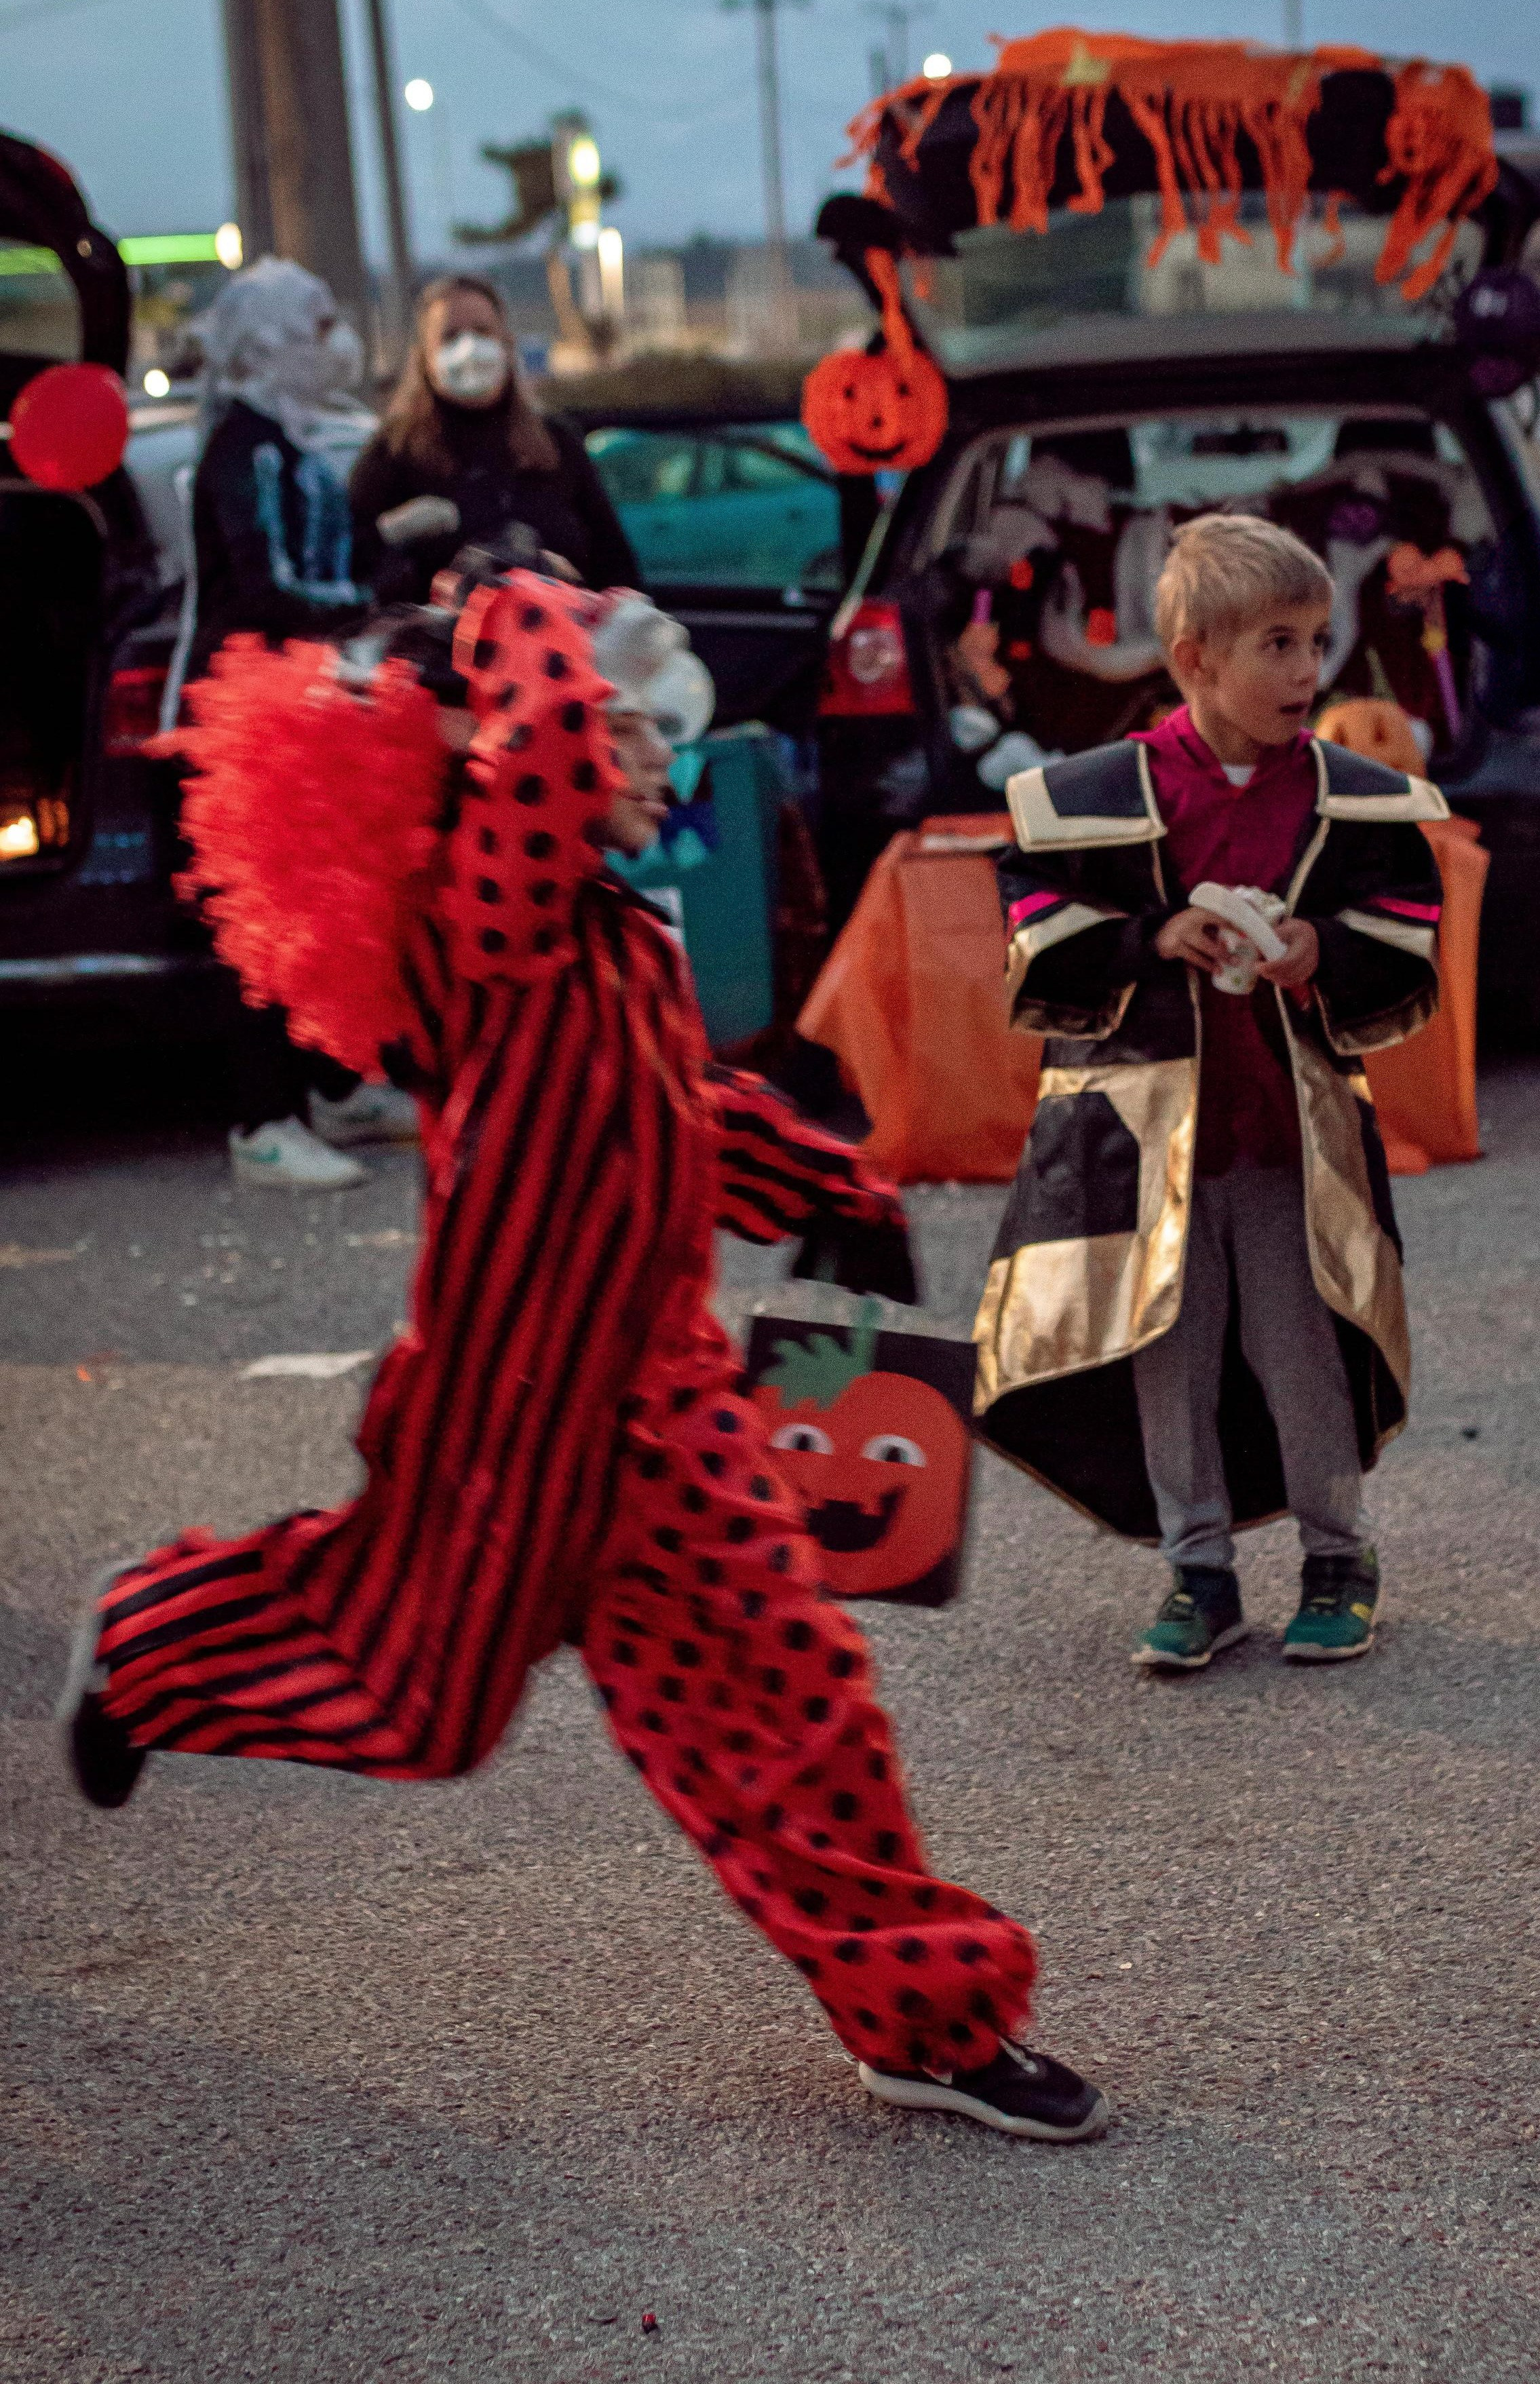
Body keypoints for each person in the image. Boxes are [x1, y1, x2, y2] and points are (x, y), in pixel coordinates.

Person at [58, 567, 1108, 2147]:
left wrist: (832, 1194)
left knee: (794, 1702)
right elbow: (544, 732)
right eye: (620, 730)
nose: (649, 759)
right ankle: (148, 1640)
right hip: (500, 1431)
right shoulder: (486, 920)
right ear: (486, 757)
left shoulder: (610, 938)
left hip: (663, 1417)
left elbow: (672, 1105)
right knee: (419, 1705)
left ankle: (923, 2016)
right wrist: (521, 608)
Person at [975, 514, 1446, 1670]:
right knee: (1164, 1353)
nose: (1305, 670)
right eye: (1275, 645)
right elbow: (1034, 916)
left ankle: (1336, 1553)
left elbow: (1404, 924)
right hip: (1142, 1148)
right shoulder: (1103, 793)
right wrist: (1151, 933)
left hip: (1289, 1140)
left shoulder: (1345, 799)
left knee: (1302, 1350)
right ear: (1193, 659)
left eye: (1314, 641)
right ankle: (1197, 1571)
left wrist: (1321, 949)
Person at [186, 254, 417, 1189]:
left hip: (311, 701)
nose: (336, 343)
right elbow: (266, 586)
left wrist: (386, 559)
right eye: (317, 325)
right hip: (257, 713)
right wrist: (364, 598)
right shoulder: (245, 449)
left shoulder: (292, 441)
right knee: (265, 914)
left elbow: (333, 557)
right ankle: (264, 1117)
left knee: (326, 906)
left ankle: (335, 1084)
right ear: (270, 341)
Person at [348, 274, 638, 605]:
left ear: (507, 345)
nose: (469, 347)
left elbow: (616, 566)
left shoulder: (557, 443)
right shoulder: (393, 452)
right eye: (450, 336)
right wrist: (389, 535)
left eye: (483, 331)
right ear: (424, 358)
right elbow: (348, 565)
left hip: (562, 632)